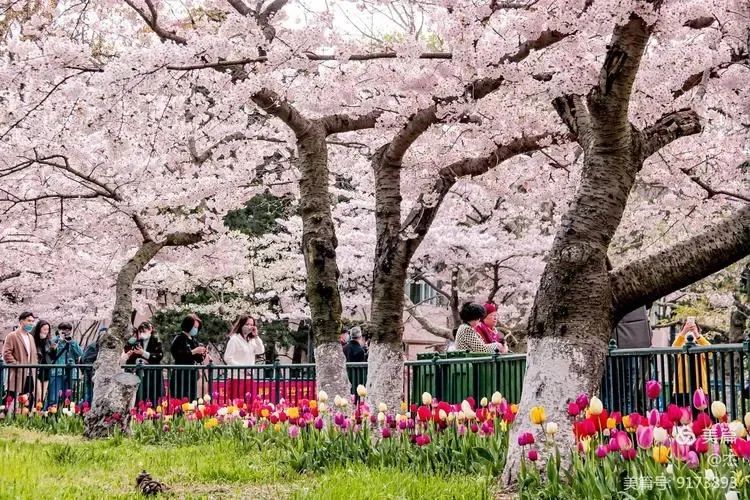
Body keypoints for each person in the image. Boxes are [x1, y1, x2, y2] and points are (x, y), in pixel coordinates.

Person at [224, 316, 265, 401]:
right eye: (247, 324)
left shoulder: (252, 340)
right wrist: (242, 367)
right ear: (241, 325)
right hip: (236, 376)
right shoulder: (234, 339)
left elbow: (260, 350)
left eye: (251, 325)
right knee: (236, 403)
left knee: (250, 403)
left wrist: (256, 336)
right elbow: (227, 358)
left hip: (249, 377)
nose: (249, 327)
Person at [672, 317, 710, 408]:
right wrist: (684, 332)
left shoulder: (701, 344)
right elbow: (673, 349)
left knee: (702, 417)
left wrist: (696, 334)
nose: (690, 330)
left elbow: (710, 351)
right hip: (681, 387)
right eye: (687, 327)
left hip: (699, 386)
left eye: (693, 328)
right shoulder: (680, 344)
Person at [2, 311, 37, 410]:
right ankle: (4, 417)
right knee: (10, 397)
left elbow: (33, 354)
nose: (31, 323)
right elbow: (6, 353)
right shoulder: (12, 335)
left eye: (32, 321)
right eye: (29, 321)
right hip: (17, 372)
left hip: (30, 373)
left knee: (27, 399)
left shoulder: (30, 337)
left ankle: (24, 420)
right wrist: (16, 365)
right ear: (21, 321)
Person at [123, 322, 164, 406]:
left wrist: (143, 353)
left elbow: (159, 356)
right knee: (141, 396)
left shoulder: (156, 341)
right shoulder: (137, 341)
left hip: (153, 374)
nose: (142, 334)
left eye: (144, 331)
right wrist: (135, 357)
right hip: (140, 374)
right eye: (141, 332)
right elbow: (131, 358)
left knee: (154, 397)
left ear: (150, 330)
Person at [170, 315, 206, 401]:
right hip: (181, 375)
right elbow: (177, 354)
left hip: (192, 375)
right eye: (194, 327)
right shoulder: (179, 338)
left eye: (197, 328)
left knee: (191, 399)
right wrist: (193, 351)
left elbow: (198, 359)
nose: (195, 330)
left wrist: (203, 353)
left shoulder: (194, 340)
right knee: (181, 398)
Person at [47, 322, 83, 408]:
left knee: (67, 397)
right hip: (57, 372)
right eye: (63, 330)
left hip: (70, 373)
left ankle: (65, 415)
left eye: (68, 330)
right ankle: (51, 415)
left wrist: (72, 343)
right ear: (59, 331)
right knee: (54, 397)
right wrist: (59, 341)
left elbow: (79, 353)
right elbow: (51, 354)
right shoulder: (54, 341)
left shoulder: (72, 341)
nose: (66, 332)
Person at [81, 326, 107, 404]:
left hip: (101, 375)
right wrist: (92, 372)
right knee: (89, 394)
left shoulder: (106, 346)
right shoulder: (93, 346)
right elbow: (85, 360)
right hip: (91, 374)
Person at [32, 320, 54, 408]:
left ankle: (37, 415)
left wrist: (54, 350)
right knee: (38, 395)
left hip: (46, 370)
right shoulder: (33, 340)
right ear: (39, 329)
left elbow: (52, 357)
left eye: (47, 329)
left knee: (42, 396)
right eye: (44, 329)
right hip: (37, 369)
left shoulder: (48, 341)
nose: (46, 331)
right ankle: (32, 414)